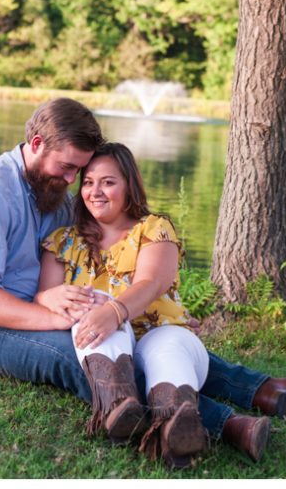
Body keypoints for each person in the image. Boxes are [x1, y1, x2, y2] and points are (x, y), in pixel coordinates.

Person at [0, 97, 286, 464]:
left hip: (30, 306)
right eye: (69, 168)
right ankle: (226, 425)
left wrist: (158, 311)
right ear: (36, 143)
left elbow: (76, 264)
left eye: (81, 171)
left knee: (154, 342)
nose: (74, 181)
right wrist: (57, 319)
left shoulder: (50, 189)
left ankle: (262, 390)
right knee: (80, 352)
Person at [38, 142, 210, 467]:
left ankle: (176, 430)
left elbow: (150, 283)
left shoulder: (154, 229)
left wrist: (113, 311)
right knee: (90, 309)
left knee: (165, 347)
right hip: (108, 346)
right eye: (88, 182)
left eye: (108, 182)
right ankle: (120, 408)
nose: (95, 191)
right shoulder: (64, 242)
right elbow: (43, 296)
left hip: (165, 334)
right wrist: (50, 297)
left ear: (129, 184)